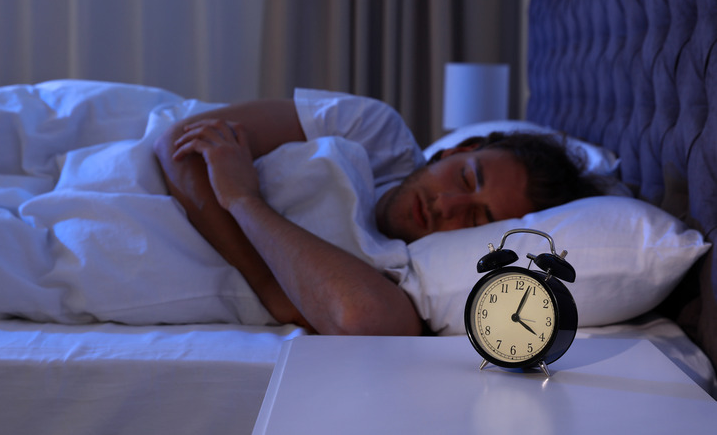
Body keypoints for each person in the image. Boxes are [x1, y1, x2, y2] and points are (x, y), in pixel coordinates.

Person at [154, 89, 601, 336]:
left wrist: (243, 201)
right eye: (465, 179)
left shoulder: (404, 276)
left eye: (478, 219)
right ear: (457, 149)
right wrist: (271, 285)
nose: (445, 206)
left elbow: (362, 320)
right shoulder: (376, 133)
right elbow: (182, 141)